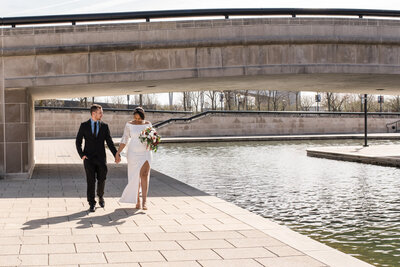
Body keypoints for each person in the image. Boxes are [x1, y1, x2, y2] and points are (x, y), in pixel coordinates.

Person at [76, 104, 118, 212]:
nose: (102, 114)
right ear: (93, 113)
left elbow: (109, 142)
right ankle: (91, 203)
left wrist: (116, 154)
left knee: (102, 179)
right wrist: (82, 155)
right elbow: (78, 141)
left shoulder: (104, 126)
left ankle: (100, 196)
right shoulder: (84, 125)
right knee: (91, 181)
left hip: (101, 158)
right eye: (100, 112)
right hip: (88, 159)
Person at [116, 107, 152, 210]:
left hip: (145, 152)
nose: (137, 120)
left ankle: (145, 201)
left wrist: (152, 144)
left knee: (144, 175)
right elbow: (124, 139)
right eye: (135, 118)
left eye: (139, 118)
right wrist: (118, 152)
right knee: (135, 177)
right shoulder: (129, 124)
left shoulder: (148, 124)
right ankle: (137, 200)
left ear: (143, 117)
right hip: (133, 153)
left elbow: (151, 139)